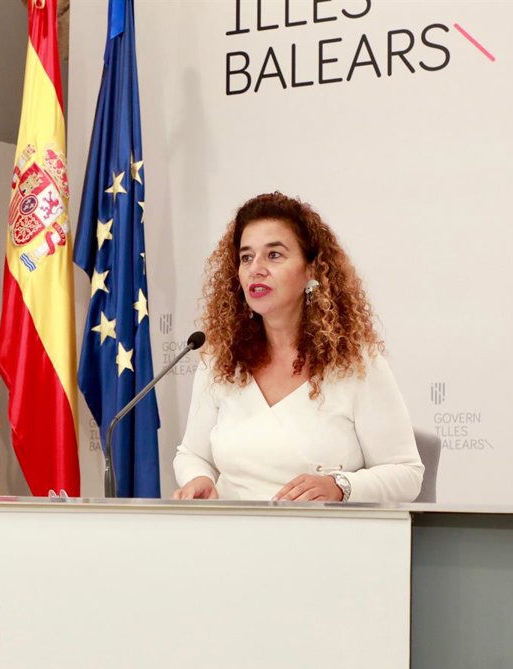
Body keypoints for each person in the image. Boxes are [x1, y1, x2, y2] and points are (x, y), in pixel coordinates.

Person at [173, 192, 424, 502]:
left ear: (311, 270)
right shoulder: (221, 360)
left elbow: (406, 473)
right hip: (231, 528)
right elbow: (193, 454)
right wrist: (198, 478)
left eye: (274, 255)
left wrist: (340, 487)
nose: (256, 269)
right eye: (246, 257)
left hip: (320, 530)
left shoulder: (356, 363)